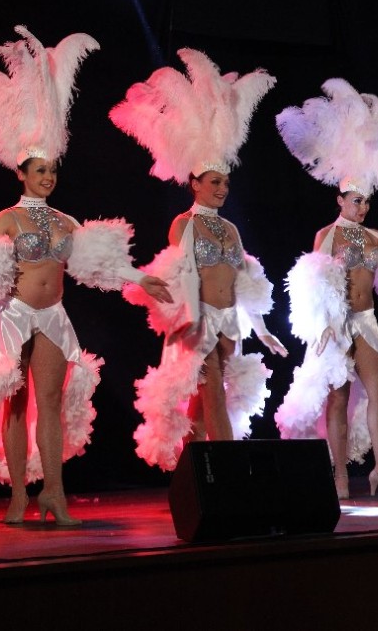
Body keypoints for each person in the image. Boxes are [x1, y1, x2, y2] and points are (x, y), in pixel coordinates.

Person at [0, 26, 171, 525]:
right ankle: (19, 495)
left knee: (53, 402)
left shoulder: (65, 222)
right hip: (13, 315)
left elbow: (94, 262)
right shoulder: (8, 219)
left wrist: (140, 277)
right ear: (21, 172)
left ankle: (54, 494)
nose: (48, 177)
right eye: (40, 171)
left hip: (53, 316)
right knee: (15, 405)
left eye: (53, 171)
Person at [109, 48, 288, 471]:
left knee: (205, 406)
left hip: (231, 322)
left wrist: (261, 330)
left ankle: (197, 475)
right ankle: (230, 475)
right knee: (212, 395)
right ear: (194, 182)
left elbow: (245, 285)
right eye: (214, 182)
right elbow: (184, 275)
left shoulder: (230, 230)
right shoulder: (183, 224)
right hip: (200, 319)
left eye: (225, 181)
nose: (222, 189)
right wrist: (190, 318)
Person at [275, 78, 378, 500]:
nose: (362, 207)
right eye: (355, 201)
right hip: (336, 323)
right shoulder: (327, 235)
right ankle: (338, 475)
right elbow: (314, 282)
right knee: (338, 398)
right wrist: (324, 326)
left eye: (366, 202)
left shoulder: (375, 238)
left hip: (365, 321)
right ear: (340, 200)